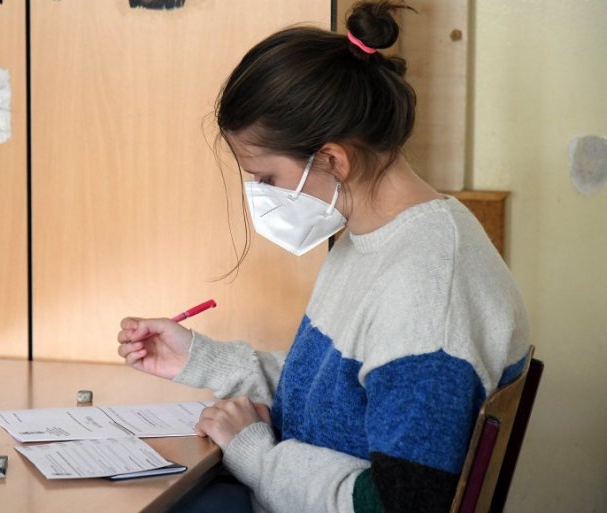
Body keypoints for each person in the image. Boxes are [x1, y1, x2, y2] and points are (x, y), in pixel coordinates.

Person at [116, 2, 530, 512]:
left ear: (333, 160)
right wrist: (201, 360)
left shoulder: (428, 294)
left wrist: (256, 455)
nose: (262, 196)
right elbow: (335, 395)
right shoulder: (376, 237)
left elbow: (405, 503)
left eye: (266, 178)